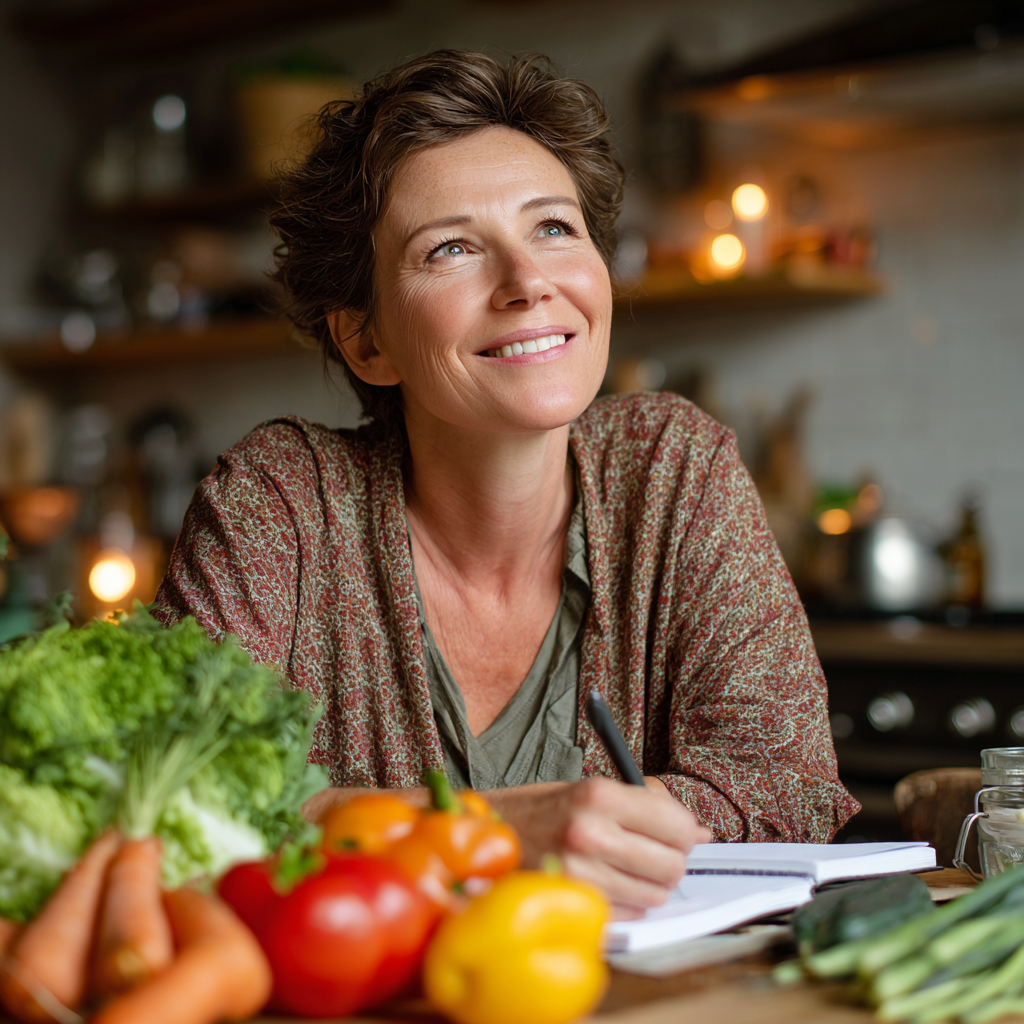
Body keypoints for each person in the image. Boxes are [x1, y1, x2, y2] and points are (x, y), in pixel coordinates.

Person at [155, 50, 857, 917]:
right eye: (450, 249)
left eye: (554, 228)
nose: (529, 283)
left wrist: (368, 822)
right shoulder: (281, 502)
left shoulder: (673, 467)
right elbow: (187, 806)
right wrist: (509, 832)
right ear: (365, 341)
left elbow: (788, 789)